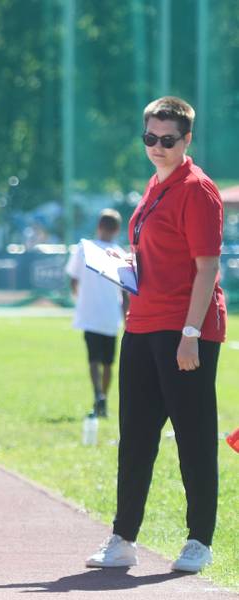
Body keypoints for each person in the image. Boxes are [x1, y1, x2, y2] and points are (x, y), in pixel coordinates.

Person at [86, 96, 226, 574]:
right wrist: (126, 266)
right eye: (150, 138)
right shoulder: (153, 185)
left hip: (185, 328)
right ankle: (123, 538)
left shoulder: (197, 189)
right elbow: (157, 253)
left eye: (168, 140)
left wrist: (190, 332)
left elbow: (208, 268)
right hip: (142, 325)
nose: (158, 147)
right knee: (137, 437)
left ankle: (199, 540)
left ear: (186, 140)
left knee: (194, 437)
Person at [65, 209, 127, 418]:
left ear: (98, 226)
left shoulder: (83, 248)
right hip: (111, 314)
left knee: (93, 359)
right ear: (117, 229)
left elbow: (73, 279)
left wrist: (79, 297)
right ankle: (104, 398)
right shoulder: (120, 253)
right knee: (109, 361)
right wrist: (126, 314)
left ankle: (97, 393)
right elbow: (126, 290)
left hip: (89, 313)